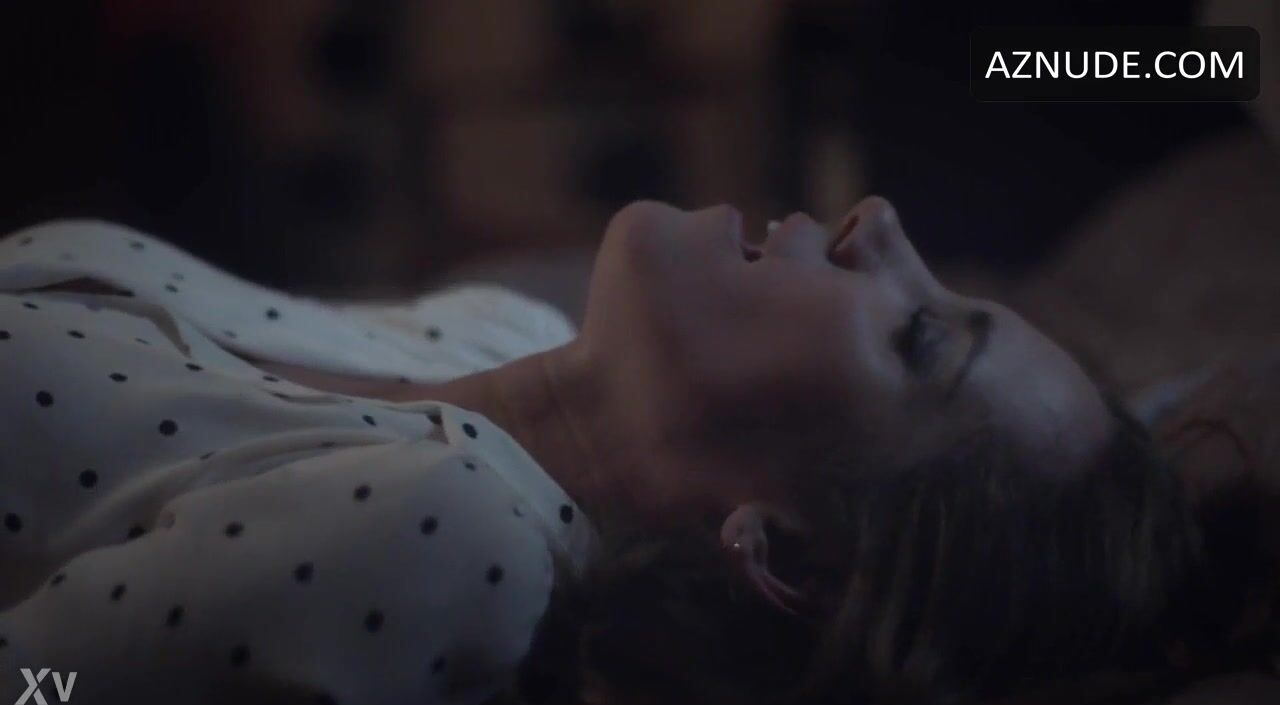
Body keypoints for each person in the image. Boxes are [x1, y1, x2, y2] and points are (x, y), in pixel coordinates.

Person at [0, 197, 1267, 705]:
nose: (877, 224)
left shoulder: (442, 542)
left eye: (920, 337)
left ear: (782, 555)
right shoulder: (500, 325)